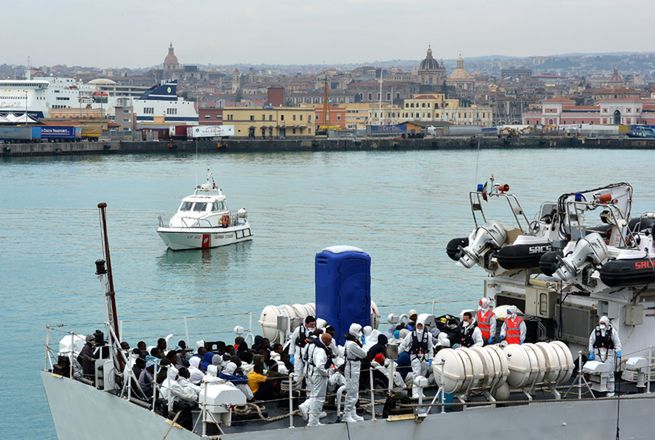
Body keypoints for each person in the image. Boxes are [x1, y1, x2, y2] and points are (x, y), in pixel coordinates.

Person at [400, 315, 433, 399]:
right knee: (416, 374)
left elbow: (430, 347)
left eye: (421, 325)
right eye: (418, 325)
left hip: (424, 357)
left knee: (422, 375)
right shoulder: (411, 335)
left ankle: (420, 392)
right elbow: (403, 345)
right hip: (414, 356)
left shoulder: (428, 335)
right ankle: (415, 392)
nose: (419, 326)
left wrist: (430, 358)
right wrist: (396, 353)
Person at [304, 333, 333, 427]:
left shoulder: (313, 345)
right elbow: (320, 366)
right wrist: (327, 373)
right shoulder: (321, 350)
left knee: (314, 396)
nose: (331, 343)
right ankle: (313, 421)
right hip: (319, 376)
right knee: (318, 398)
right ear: (324, 341)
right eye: (329, 341)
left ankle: (311, 416)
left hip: (311, 373)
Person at [588, 316, 622, 396]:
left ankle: (610, 391)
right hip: (597, 354)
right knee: (596, 372)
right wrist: (591, 352)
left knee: (609, 373)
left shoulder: (612, 332)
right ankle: (596, 389)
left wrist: (618, 351)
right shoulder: (595, 331)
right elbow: (591, 342)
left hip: (609, 354)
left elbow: (617, 343)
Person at [343, 323, 367, 422]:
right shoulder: (352, 344)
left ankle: (352, 412)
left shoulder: (351, 342)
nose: (360, 333)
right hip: (352, 368)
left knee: (354, 391)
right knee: (352, 391)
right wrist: (364, 345)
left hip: (354, 367)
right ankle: (347, 414)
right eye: (359, 331)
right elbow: (363, 354)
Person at [290, 316, 316, 384]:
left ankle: (309, 392)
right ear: (306, 324)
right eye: (311, 325)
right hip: (299, 355)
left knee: (309, 374)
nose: (313, 326)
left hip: (309, 356)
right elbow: (292, 342)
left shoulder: (316, 331)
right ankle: (297, 391)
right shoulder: (298, 330)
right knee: (298, 374)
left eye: (314, 324)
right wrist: (291, 355)